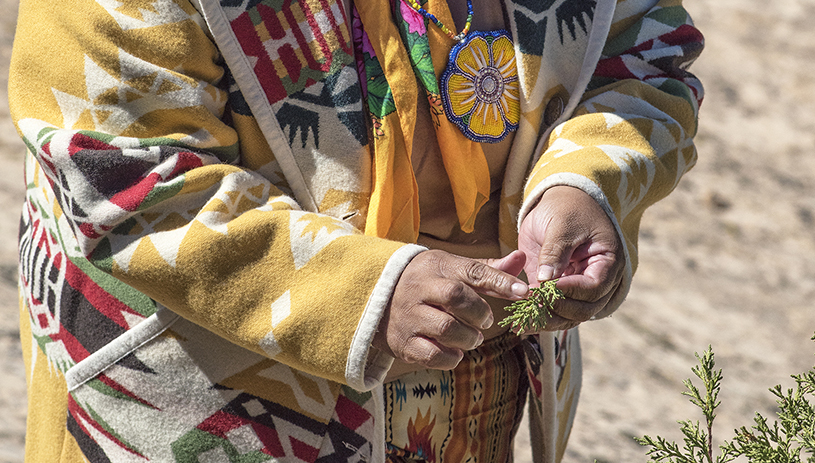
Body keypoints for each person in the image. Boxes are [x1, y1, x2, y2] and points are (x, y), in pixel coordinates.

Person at [9, 0, 703, 461]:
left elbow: (641, 56)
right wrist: (368, 293)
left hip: (477, 401)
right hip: (216, 408)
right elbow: (123, 176)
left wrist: (585, 183)